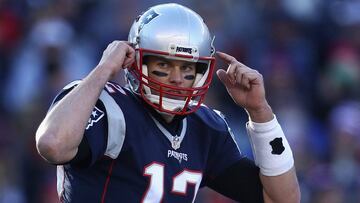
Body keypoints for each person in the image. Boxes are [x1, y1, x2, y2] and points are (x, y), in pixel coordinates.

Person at [35, 3, 300, 203]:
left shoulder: (205, 127)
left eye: (188, 68)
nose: (177, 78)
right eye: (163, 64)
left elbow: (283, 199)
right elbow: (52, 145)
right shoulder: (106, 105)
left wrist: (260, 112)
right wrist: (103, 70)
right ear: (135, 61)